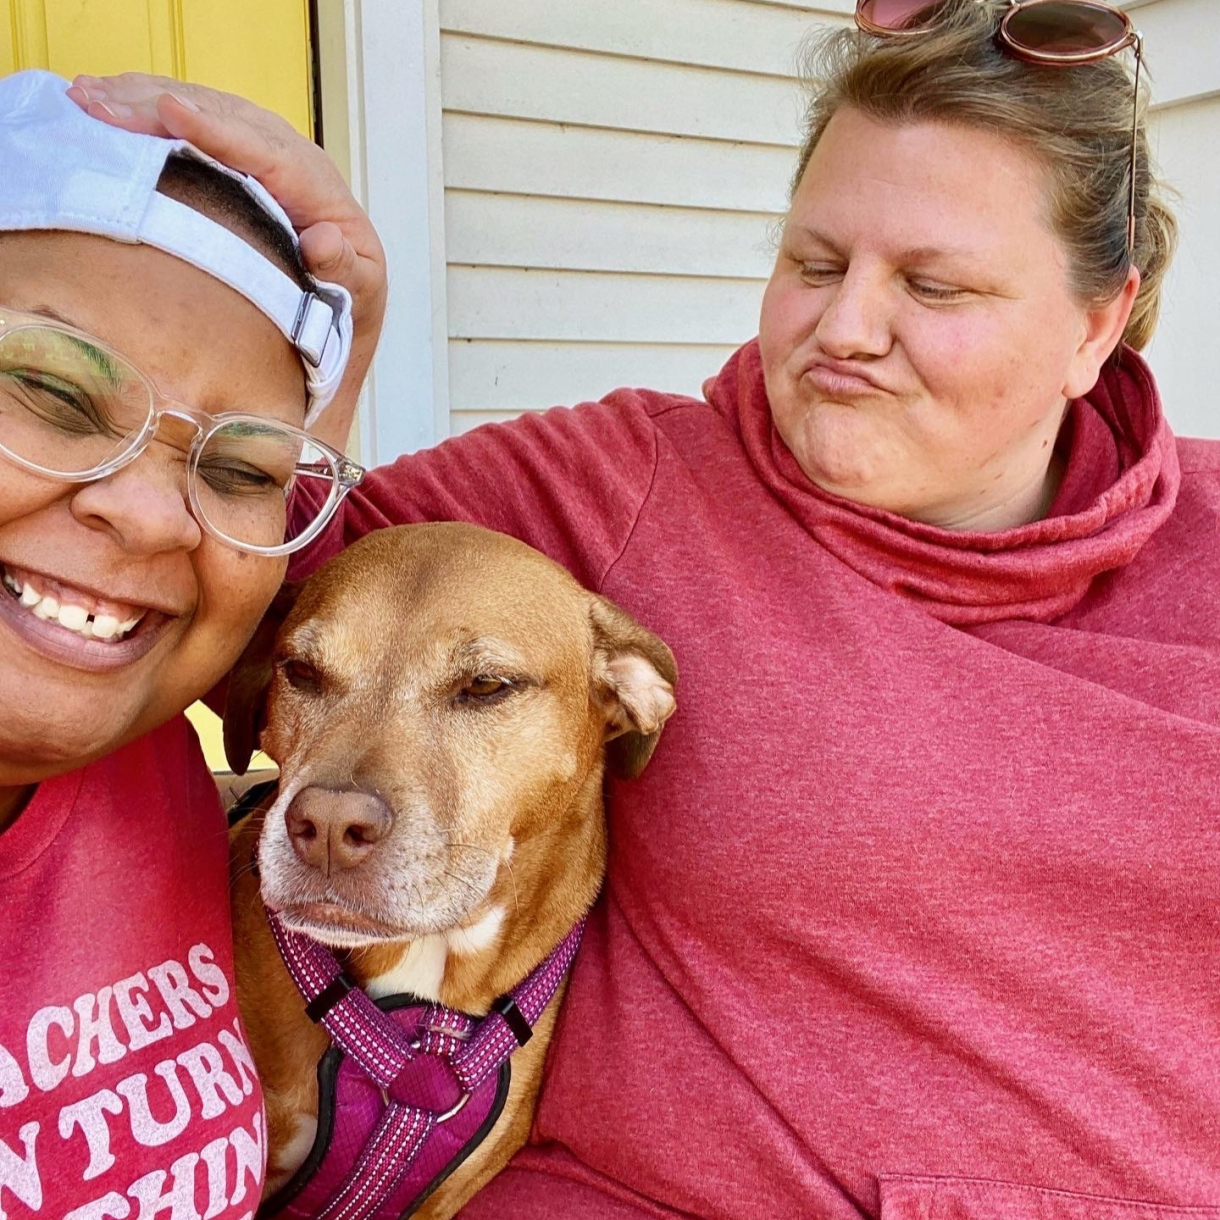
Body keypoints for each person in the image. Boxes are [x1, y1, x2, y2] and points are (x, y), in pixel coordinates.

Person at [22, 0, 1220, 1215]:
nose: (846, 328)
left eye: (936, 285)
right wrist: (339, 333)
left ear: (1095, 323)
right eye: (812, 263)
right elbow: (237, 573)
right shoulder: (626, 483)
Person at [0, 70, 385, 1215]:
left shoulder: (144, 720)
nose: (160, 514)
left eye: (238, 470)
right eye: (57, 395)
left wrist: (343, 343)